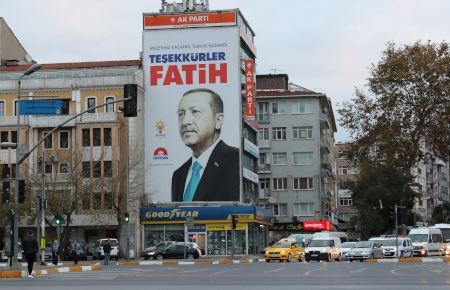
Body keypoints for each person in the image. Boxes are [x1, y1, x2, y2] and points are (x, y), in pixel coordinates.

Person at [172, 88, 240, 202]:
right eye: (181, 114)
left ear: (218, 120)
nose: (185, 122)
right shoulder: (178, 175)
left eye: (195, 112)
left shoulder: (236, 161)